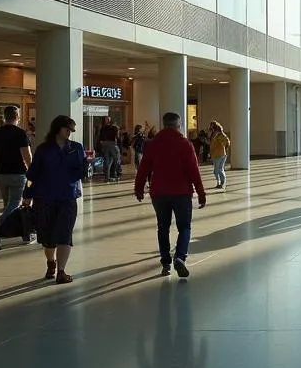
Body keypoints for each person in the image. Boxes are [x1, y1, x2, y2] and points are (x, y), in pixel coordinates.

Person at [134, 112, 206, 277]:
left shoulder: (152, 144)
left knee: (162, 227)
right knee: (184, 227)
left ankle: (166, 261)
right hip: (182, 192)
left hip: (159, 193)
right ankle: (180, 257)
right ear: (178, 125)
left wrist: (139, 189)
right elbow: (194, 171)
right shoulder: (185, 144)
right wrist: (201, 193)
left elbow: (143, 169)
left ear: (164, 125)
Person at [22, 115, 88, 283]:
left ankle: (61, 271)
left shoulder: (76, 148)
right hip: (44, 197)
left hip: (68, 196)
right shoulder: (44, 149)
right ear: (57, 128)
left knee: (65, 235)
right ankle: (51, 261)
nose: (69, 133)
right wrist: (27, 194)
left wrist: (85, 167)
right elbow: (33, 173)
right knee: (48, 238)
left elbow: (82, 170)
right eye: (67, 129)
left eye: (71, 130)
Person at [0, 105, 33, 249]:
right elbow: (27, 156)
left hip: (1, 174)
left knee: (8, 205)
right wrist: (32, 171)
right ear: (17, 117)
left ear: (4, 116)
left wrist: (3, 161)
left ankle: (24, 233)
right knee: (15, 204)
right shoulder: (20, 133)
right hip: (18, 174)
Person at [96, 115, 120, 182]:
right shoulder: (114, 127)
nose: (108, 120)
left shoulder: (102, 128)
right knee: (116, 160)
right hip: (112, 144)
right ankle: (114, 174)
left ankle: (107, 176)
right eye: (108, 119)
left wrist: (101, 143)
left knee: (107, 161)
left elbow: (99, 137)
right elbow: (117, 137)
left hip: (104, 144)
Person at [209, 122, 231, 189]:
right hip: (216, 154)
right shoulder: (214, 134)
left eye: (212, 126)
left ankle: (222, 183)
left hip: (220, 154)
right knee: (217, 170)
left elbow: (227, 141)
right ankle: (220, 183)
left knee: (218, 170)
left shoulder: (219, 134)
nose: (211, 128)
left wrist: (225, 147)